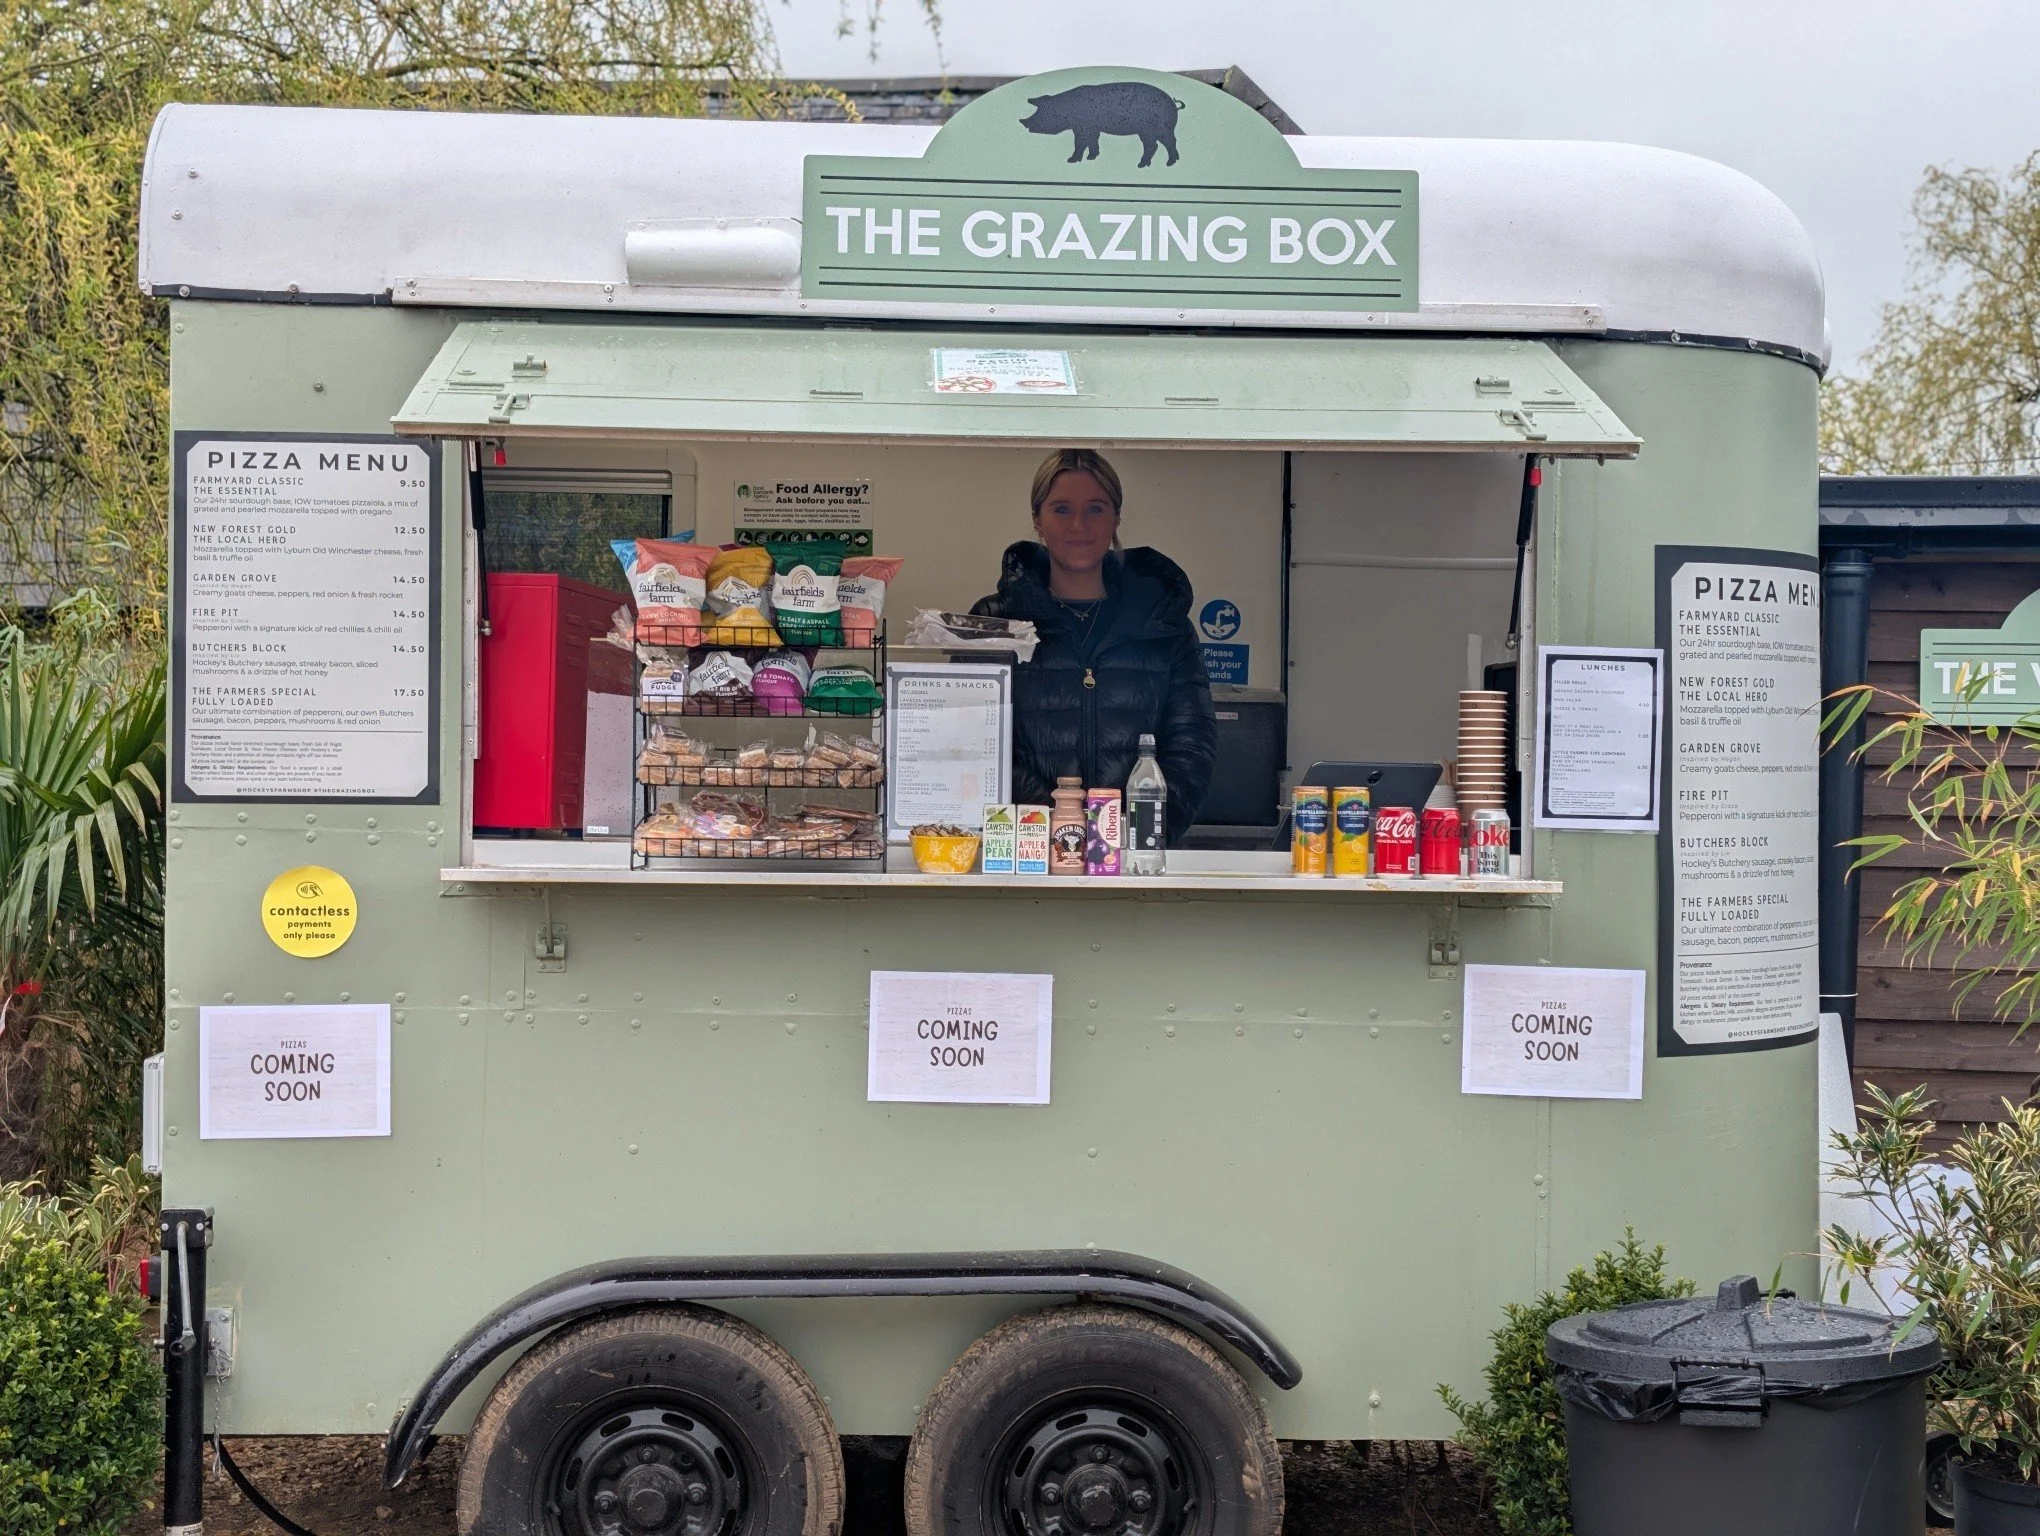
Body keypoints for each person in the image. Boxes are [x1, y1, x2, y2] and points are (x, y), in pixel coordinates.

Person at [972, 448, 1217, 844]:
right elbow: (974, 740)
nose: (1079, 525)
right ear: (1038, 520)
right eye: (1062, 509)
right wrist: (1057, 828)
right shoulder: (994, 621)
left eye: (1096, 509)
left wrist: (1137, 834)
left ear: (1116, 517)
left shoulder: (1164, 621)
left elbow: (1192, 744)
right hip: (1026, 850)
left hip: (1135, 853)